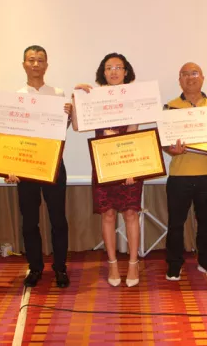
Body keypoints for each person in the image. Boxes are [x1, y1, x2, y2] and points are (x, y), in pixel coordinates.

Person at [71, 53, 142, 288]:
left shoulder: (133, 96)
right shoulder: (94, 97)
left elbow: (133, 131)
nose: (113, 71)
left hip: (128, 160)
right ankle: (112, 263)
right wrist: (77, 99)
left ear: (126, 72)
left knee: (130, 213)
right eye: (109, 67)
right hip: (104, 163)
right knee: (108, 214)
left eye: (118, 67)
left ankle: (133, 263)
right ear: (103, 72)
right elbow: (78, 126)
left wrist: (130, 169)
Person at [3, 45, 71, 288]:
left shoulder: (58, 94)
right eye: (31, 60)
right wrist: (9, 166)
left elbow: (61, 128)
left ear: (46, 65)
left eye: (40, 60)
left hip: (53, 164)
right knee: (30, 221)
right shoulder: (15, 96)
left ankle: (60, 267)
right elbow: (10, 134)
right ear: (24, 64)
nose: (35, 64)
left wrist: (70, 114)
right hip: (25, 166)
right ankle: (35, 267)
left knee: (58, 219)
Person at [163, 62, 207, 281]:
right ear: (179, 80)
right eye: (185, 74)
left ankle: (206, 261)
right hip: (179, 176)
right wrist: (170, 149)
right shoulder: (170, 108)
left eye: (194, 73)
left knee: (206, 223)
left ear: (203, 78)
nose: (190, 78)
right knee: (176, 224)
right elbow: (164, 141)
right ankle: (174, 264)